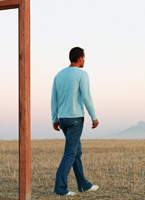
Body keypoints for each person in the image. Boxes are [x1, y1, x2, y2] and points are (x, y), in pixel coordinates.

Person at [51, 47, 99, 196]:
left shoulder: (59, 75)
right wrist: (94, 116)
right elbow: (86, 97)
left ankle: (83, 185)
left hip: (63, 119)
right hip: (75, 119)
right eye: (84, 58)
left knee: (76, 151)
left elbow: (54, 99)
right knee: (70, 153)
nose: (84, 60)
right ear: (79, 58)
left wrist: (54, 118)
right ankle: (60, 188)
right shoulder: (82, 74)